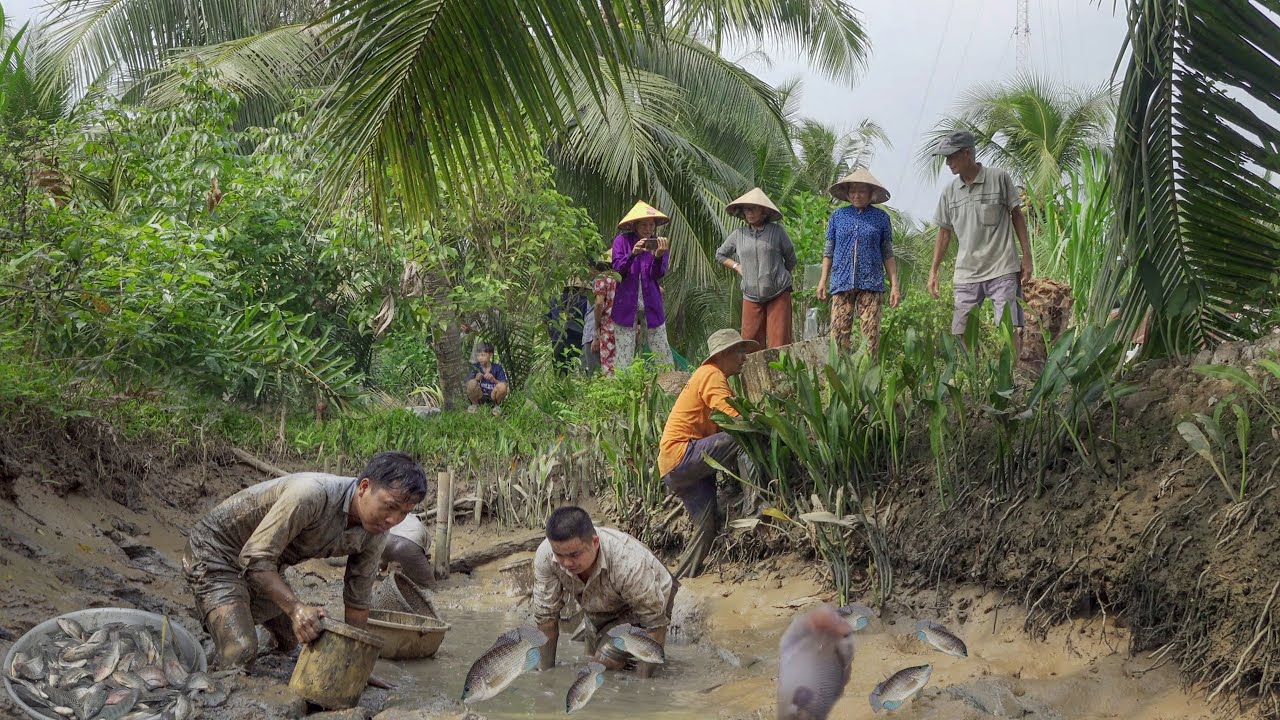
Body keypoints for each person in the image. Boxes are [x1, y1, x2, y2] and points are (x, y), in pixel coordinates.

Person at [181, 451, 428, 675]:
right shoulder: (311, 494)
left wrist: (356, 664)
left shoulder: (376, 531)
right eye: (390, 506)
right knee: (242, 652)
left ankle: (230, 627)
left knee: (291, 642)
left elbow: (358, 599)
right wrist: (296, 609)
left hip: (267, 565)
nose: (393, 519)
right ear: (365, 487)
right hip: (215, 552)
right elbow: (255, 557)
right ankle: (220, 651)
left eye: (404, 513)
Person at [531, 506, 677, 679]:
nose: (567, 563)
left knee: (604, 662)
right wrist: (544, 676)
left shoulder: (628, 561)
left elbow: (654, 625)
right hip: (599, 605)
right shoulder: (546, 556)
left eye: (574, 554)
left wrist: (643, 684)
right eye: (560, 555)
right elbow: (546, 619)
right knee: (590, 662)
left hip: (646, 601)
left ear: (595, 543)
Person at [659, 328, 759, 579]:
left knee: (705, 527)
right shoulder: (711, 374)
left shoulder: (706, 376)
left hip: (674, 466)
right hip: (684, 454)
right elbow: (733, 418)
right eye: (739, 352)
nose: (744, 358)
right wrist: (763, 423)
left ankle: (676, 584)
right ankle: (755, 506)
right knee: (741, 436)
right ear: (724, 354)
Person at [926, 131, 1034, 360]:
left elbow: (1017, 216)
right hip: (966, 272)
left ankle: (1011, 378)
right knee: (961, 329)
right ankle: (973, 377)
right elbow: (944, 233)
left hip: (1002, 267)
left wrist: (1027, 256)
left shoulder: (999, 178)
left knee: (1008, 326)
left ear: (967, 154)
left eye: (951, 156)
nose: (947, 163)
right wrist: (933, 270)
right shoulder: (949, 193)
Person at [817, 169, 901, 357]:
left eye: (862, 191)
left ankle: (867, 380)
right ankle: (841, 378)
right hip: (841, 281)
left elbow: (887, 253)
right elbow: (828, 251)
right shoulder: (838, 217)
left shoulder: (881, 219)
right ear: (847, 194)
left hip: (871, 282)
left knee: (870, 335)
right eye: (853, 191)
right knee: (838, 334)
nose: (857, 195)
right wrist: (823, 280)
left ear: (871, 194)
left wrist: (895, 285)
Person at [716, 188, 798, 349]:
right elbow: (720, 255)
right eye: (747, 209)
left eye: (754, 208)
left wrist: (779, 275)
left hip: (779, 293)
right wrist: (737, 266)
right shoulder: (739, 234)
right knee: (750, 343)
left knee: (779, 343)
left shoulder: (777, 232)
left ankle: (779, 374)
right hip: (751, 295)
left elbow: (791, 258)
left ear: (764, 211)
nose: (750, 212)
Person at [610, 201, 674, 369]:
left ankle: (668, 385)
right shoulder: (621, 241)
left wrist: (659, 256)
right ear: (635, 225)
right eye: (643, 224)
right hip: (626, 304)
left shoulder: (659, 244)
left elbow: (657, 275)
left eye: (651, 224)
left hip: (651, 302)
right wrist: (632, 254)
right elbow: (617, 270)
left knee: (661, 346)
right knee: (624, 350)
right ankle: (623, 387)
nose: (648, 228)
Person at [548, 281, 591, 375]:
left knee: (559, 373)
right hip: (576, 339)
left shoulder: (555, 299)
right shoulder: (583, 300)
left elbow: (547, 320)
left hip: (557, 339)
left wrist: (552, 335)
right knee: (571, 372)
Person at [380, 513, 432, 587]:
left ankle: (380, 571)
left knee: (384, 558)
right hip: (409, 544)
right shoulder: (422, 528)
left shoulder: (400, 515)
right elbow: (425, 554)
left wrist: (382, 565)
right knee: (429, 584)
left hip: (386, 538)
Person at [590, 257, 620, 376]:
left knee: (608, 364)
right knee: (625, 361)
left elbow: (599, 303)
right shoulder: (625, 278)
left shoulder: (602, 279)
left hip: (608, 325)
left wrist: (597, 324)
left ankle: (611, 391)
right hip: (628, 325)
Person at [467, 342, 509, 415]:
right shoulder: (474, 367)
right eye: (478, 355)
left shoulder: (498, 368)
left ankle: (497, 406)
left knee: (502, 386)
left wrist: (493, 379)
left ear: (490, 355)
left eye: (483, 355)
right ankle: (475, 405)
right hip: (480, 395)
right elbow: (467, 384)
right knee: (471, 383)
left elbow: (504, 385)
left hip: (493, 396)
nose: (480, 358)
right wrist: (476, 379)